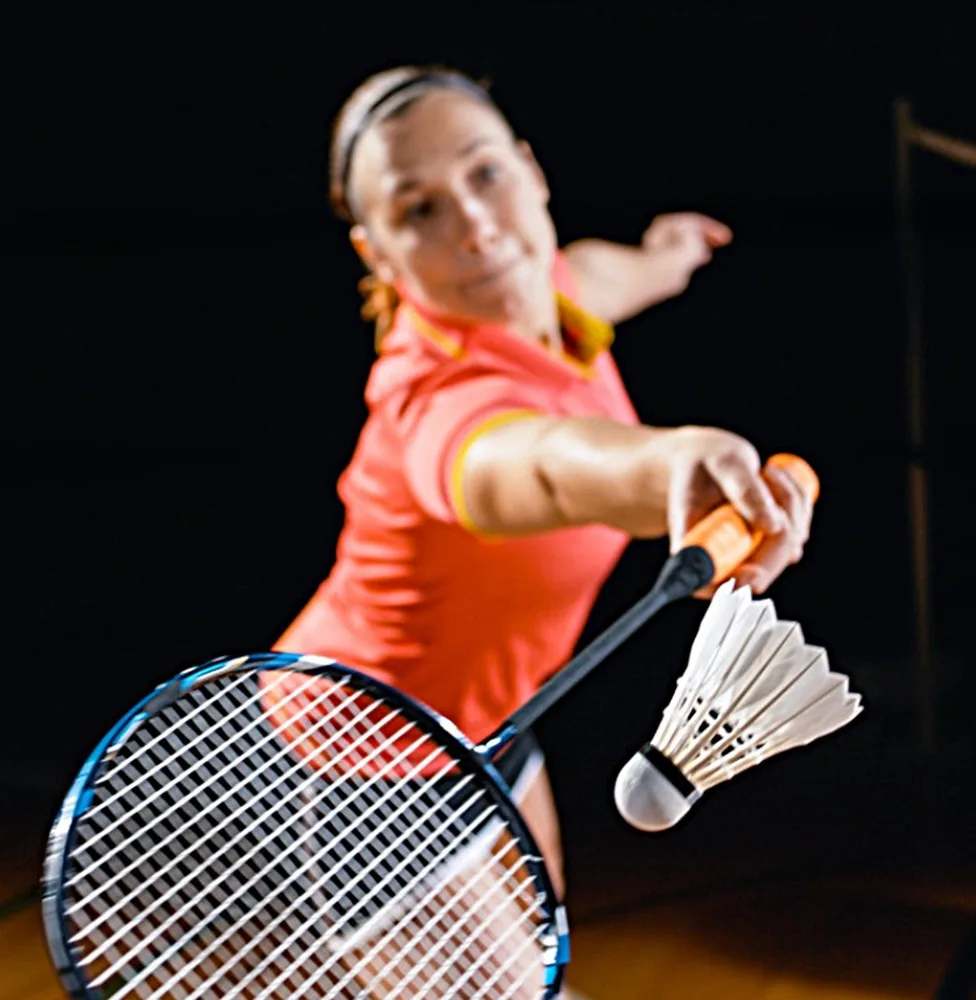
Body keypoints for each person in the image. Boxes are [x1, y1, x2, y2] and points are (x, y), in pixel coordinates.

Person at [272, 64, 814, 997]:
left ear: (530, 171)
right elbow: (546, 464)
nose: (477, 226)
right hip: (365, 763)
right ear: (379, 254)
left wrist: (669, 253)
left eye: (485, 175)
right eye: (421, 212)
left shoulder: (557, 294)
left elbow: (604, 274)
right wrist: (665, 464)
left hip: (492, 726)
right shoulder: (434, 406)